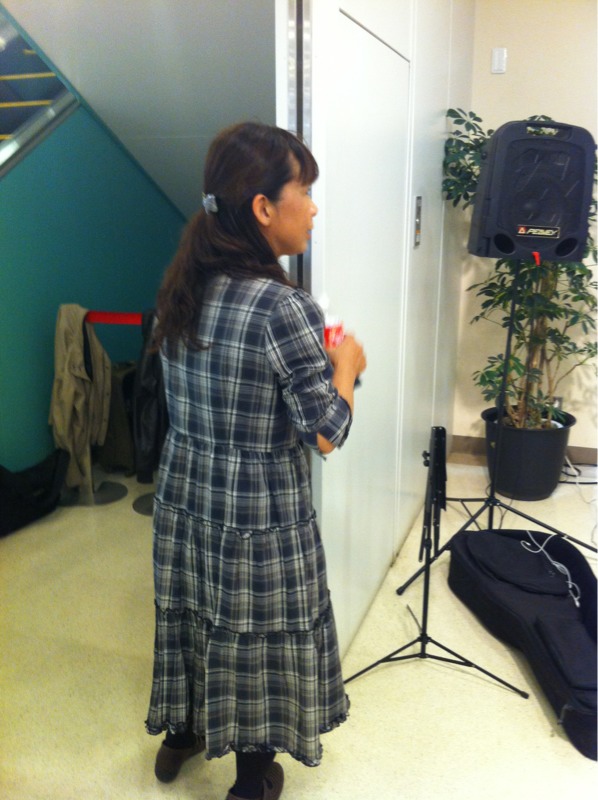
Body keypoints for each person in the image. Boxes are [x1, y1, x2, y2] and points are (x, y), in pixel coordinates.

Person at [145, 121, 366, 800]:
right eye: (305, 191)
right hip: (257, 511)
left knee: (192, 611)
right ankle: (251, 781)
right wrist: (346, 367)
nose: (314, 208)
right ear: (265, 207)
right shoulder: (282, 307)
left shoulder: (183, 284)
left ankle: (182, 733)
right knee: (256, 637)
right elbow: (324, 431)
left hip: (185, 493)